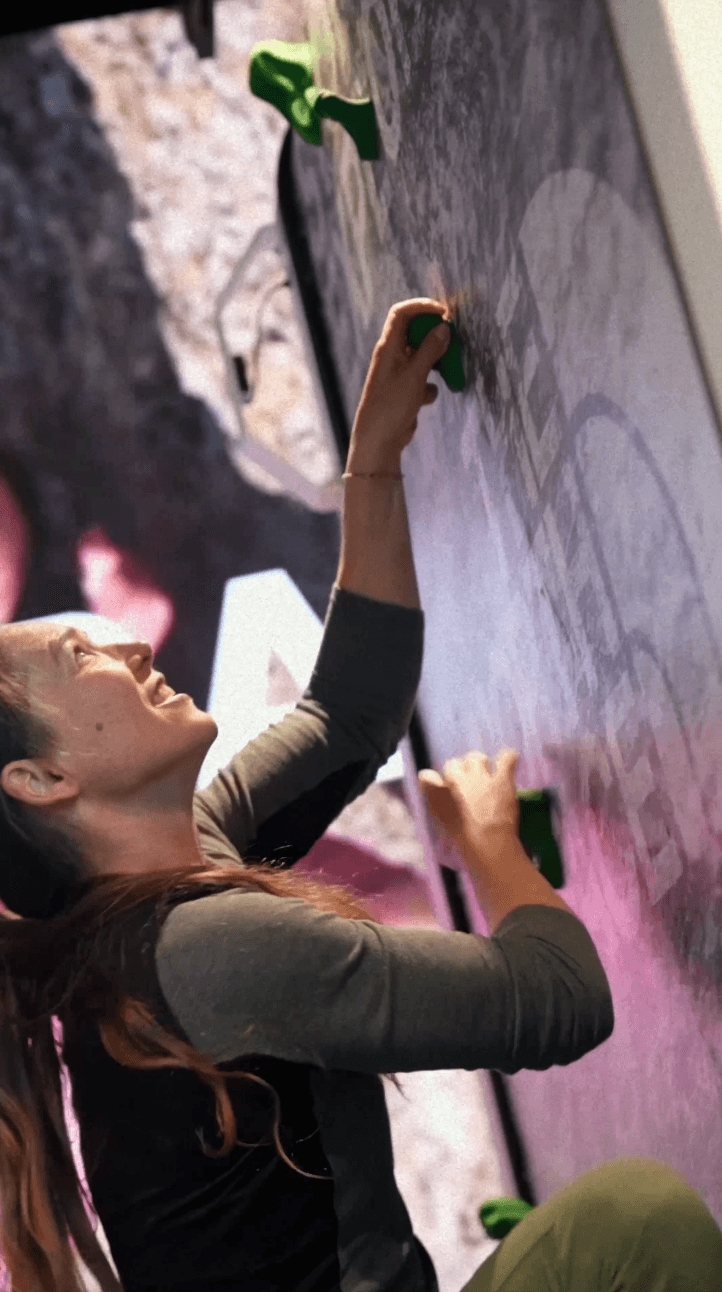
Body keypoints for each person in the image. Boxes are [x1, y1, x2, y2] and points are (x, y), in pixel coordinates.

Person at [0, 299, 718, 1292]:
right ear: (42, 780)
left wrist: (372, 466)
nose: (125, 645)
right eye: (80, 654)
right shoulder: (201, 950)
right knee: (635, 1220)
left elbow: (347, 715)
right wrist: (490, 844)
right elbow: (556, 1000)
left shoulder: (166, 880)